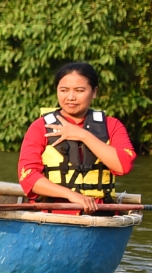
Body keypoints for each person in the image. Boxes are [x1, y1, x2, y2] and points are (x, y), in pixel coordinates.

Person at [17, 61, 135, 212]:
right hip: (54, 212)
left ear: (94, 92)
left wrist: (83, 135)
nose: (70, 97)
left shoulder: (112, 125)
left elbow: (124, 166)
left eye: (79, 90)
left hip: (101, 212)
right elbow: (28, 176)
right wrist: (72, 195)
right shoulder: (40, 127)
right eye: (64, 90)